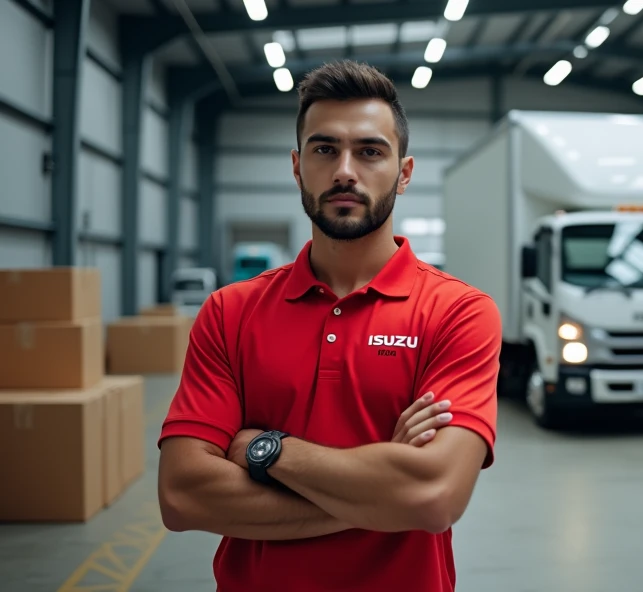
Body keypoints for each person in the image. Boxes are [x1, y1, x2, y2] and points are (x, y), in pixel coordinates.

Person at [156, 59, 502, 592]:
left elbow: (433, 496)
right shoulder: (230, 312)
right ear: (297, 167)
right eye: (324, 149)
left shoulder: (457, 312)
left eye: (369, 151)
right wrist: (380, 492)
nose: (345, 170)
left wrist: (263, 449)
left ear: (403, 173)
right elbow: (183, 495)